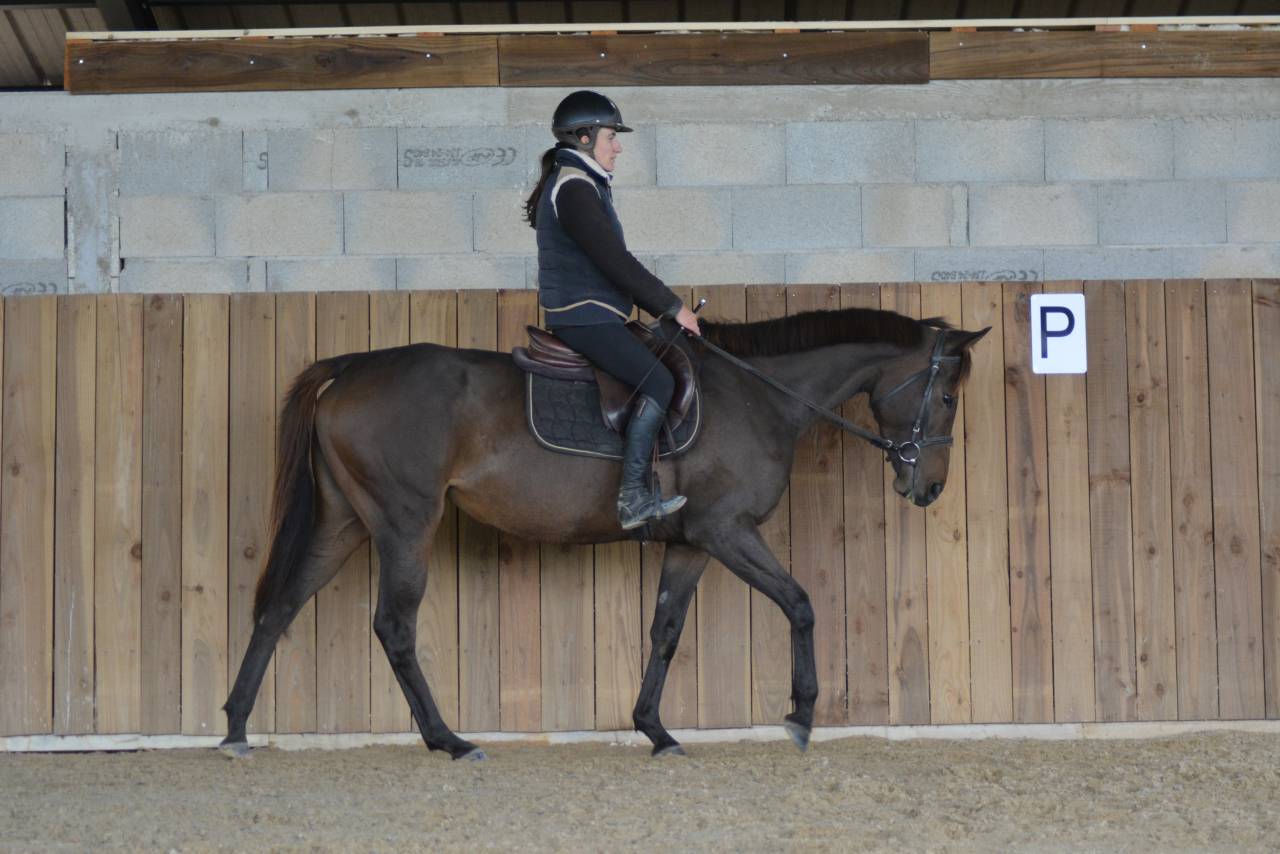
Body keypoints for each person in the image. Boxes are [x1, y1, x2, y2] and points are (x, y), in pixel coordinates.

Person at [525, 90, 702, 531]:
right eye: (611, 137)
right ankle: (633, 496)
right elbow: (615, 262)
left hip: (593, 314)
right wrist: (673, 306)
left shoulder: (580, 183)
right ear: (584, 138)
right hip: (583, 317)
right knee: (659, 382)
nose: (618, 146)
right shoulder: (574, 187)